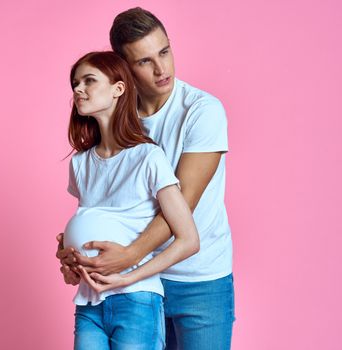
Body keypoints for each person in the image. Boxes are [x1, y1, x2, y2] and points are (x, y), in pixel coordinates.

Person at [57, 8, 235, 350]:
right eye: (144, 61)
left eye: (165, 52)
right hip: (132, 288)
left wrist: (128, 257)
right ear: (124, 69)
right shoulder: (115, 114)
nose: (161, 69)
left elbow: (182, 204)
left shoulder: (201, 111)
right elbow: (105, 207)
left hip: (199, 280)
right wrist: (73, 249)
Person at [64, 51, 199, 350]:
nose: (77, 89)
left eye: (89, 80)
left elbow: (189, 240)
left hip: (136, 299)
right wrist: (70, 256)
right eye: (75, 83)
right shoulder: (80, 164)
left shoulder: (148, 157)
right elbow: (92, 222)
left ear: (118, 89)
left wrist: (127, 277)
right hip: (89, 302)